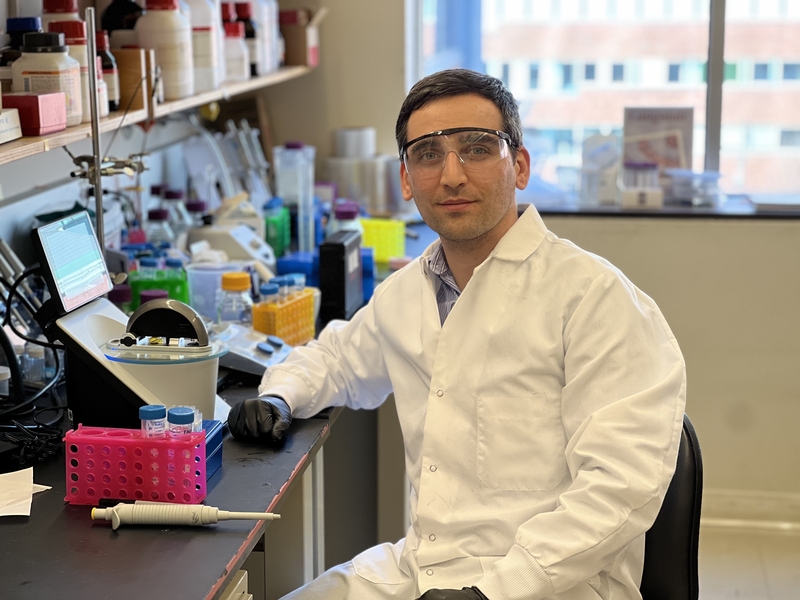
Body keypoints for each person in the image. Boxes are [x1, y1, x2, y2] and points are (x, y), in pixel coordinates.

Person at [228, 68, 686, 600]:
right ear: (405, 179)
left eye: (475, 149)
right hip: (423, 569)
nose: (450, 176)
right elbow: (335, 359)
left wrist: (493, 592)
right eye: (427, 154)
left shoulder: (594, 298)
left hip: (554, 583)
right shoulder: (408, 292)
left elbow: (621, 487)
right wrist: (281, 396)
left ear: (518, 165)